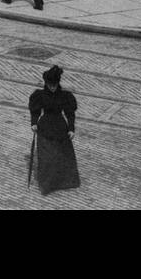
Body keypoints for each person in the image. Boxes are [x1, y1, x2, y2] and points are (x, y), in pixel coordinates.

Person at [29, 65, 80, 195]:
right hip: (45, 128)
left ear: (58, 84)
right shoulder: (39, 96)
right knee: (47, 158)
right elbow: (35, 111)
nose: (52, 87)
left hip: (60, 128)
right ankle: (47, 184)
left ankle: (63, 182)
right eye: (50, 85)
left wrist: (71, 128)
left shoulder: (65, 96)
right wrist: (34, 123)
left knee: (62, 156)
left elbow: (70, 113)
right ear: (46, 84)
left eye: (54, 85)